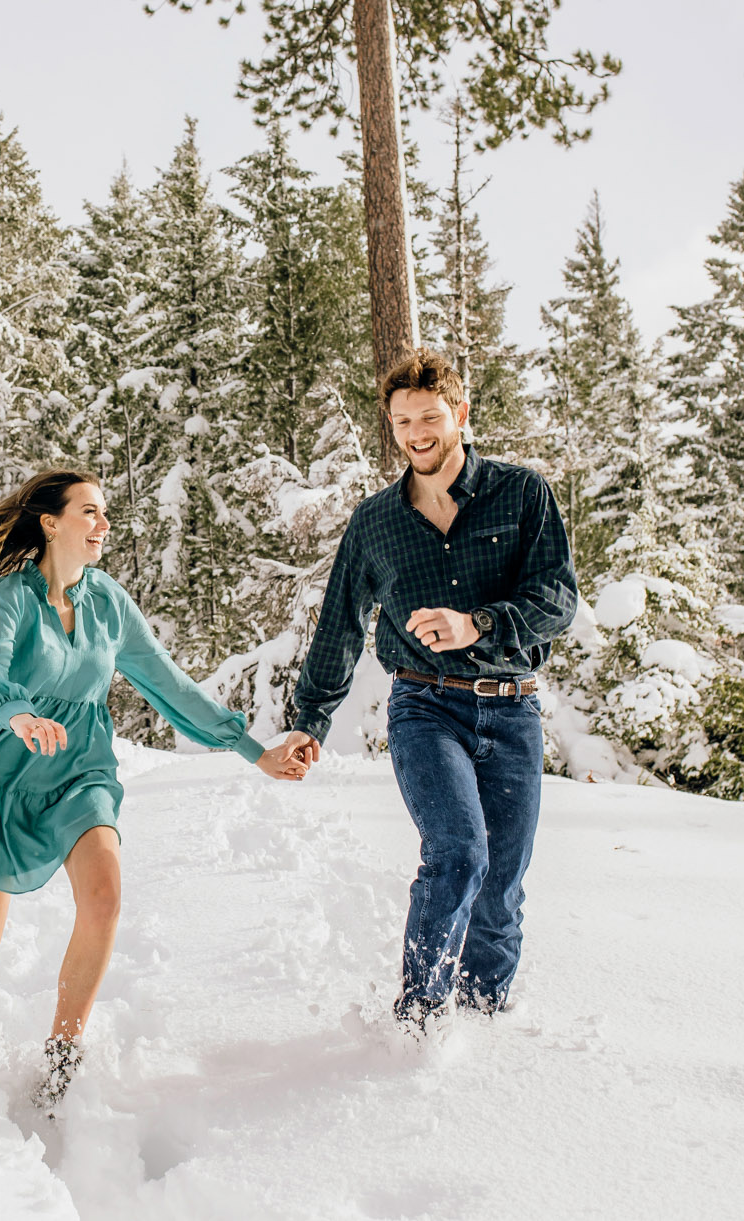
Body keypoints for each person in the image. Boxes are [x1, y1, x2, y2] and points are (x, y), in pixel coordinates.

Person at [0, 470, 307, 1104]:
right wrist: (18, 715)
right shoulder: (14, 595)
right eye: (90, 513)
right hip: (3, 777)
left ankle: (62, 1058)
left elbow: (169, 685)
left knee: (105, 897)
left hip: (81, 771)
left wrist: (255, 752)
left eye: (104, 513)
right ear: (51, 523)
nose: (103, 526)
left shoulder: (108, 603)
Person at [280, 349, 577, 1031]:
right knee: (458, 851)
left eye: (430, 417)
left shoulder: (522, 493)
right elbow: (339, 627)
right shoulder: (375, 523)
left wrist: (478, 623)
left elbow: (557, 599)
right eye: (403, 419)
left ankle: (486, 1015)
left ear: (461, 415)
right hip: (425, 706)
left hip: (510, 709)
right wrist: (311, 721)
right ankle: (419, 1019)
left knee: (500, 886)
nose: (416, 431)